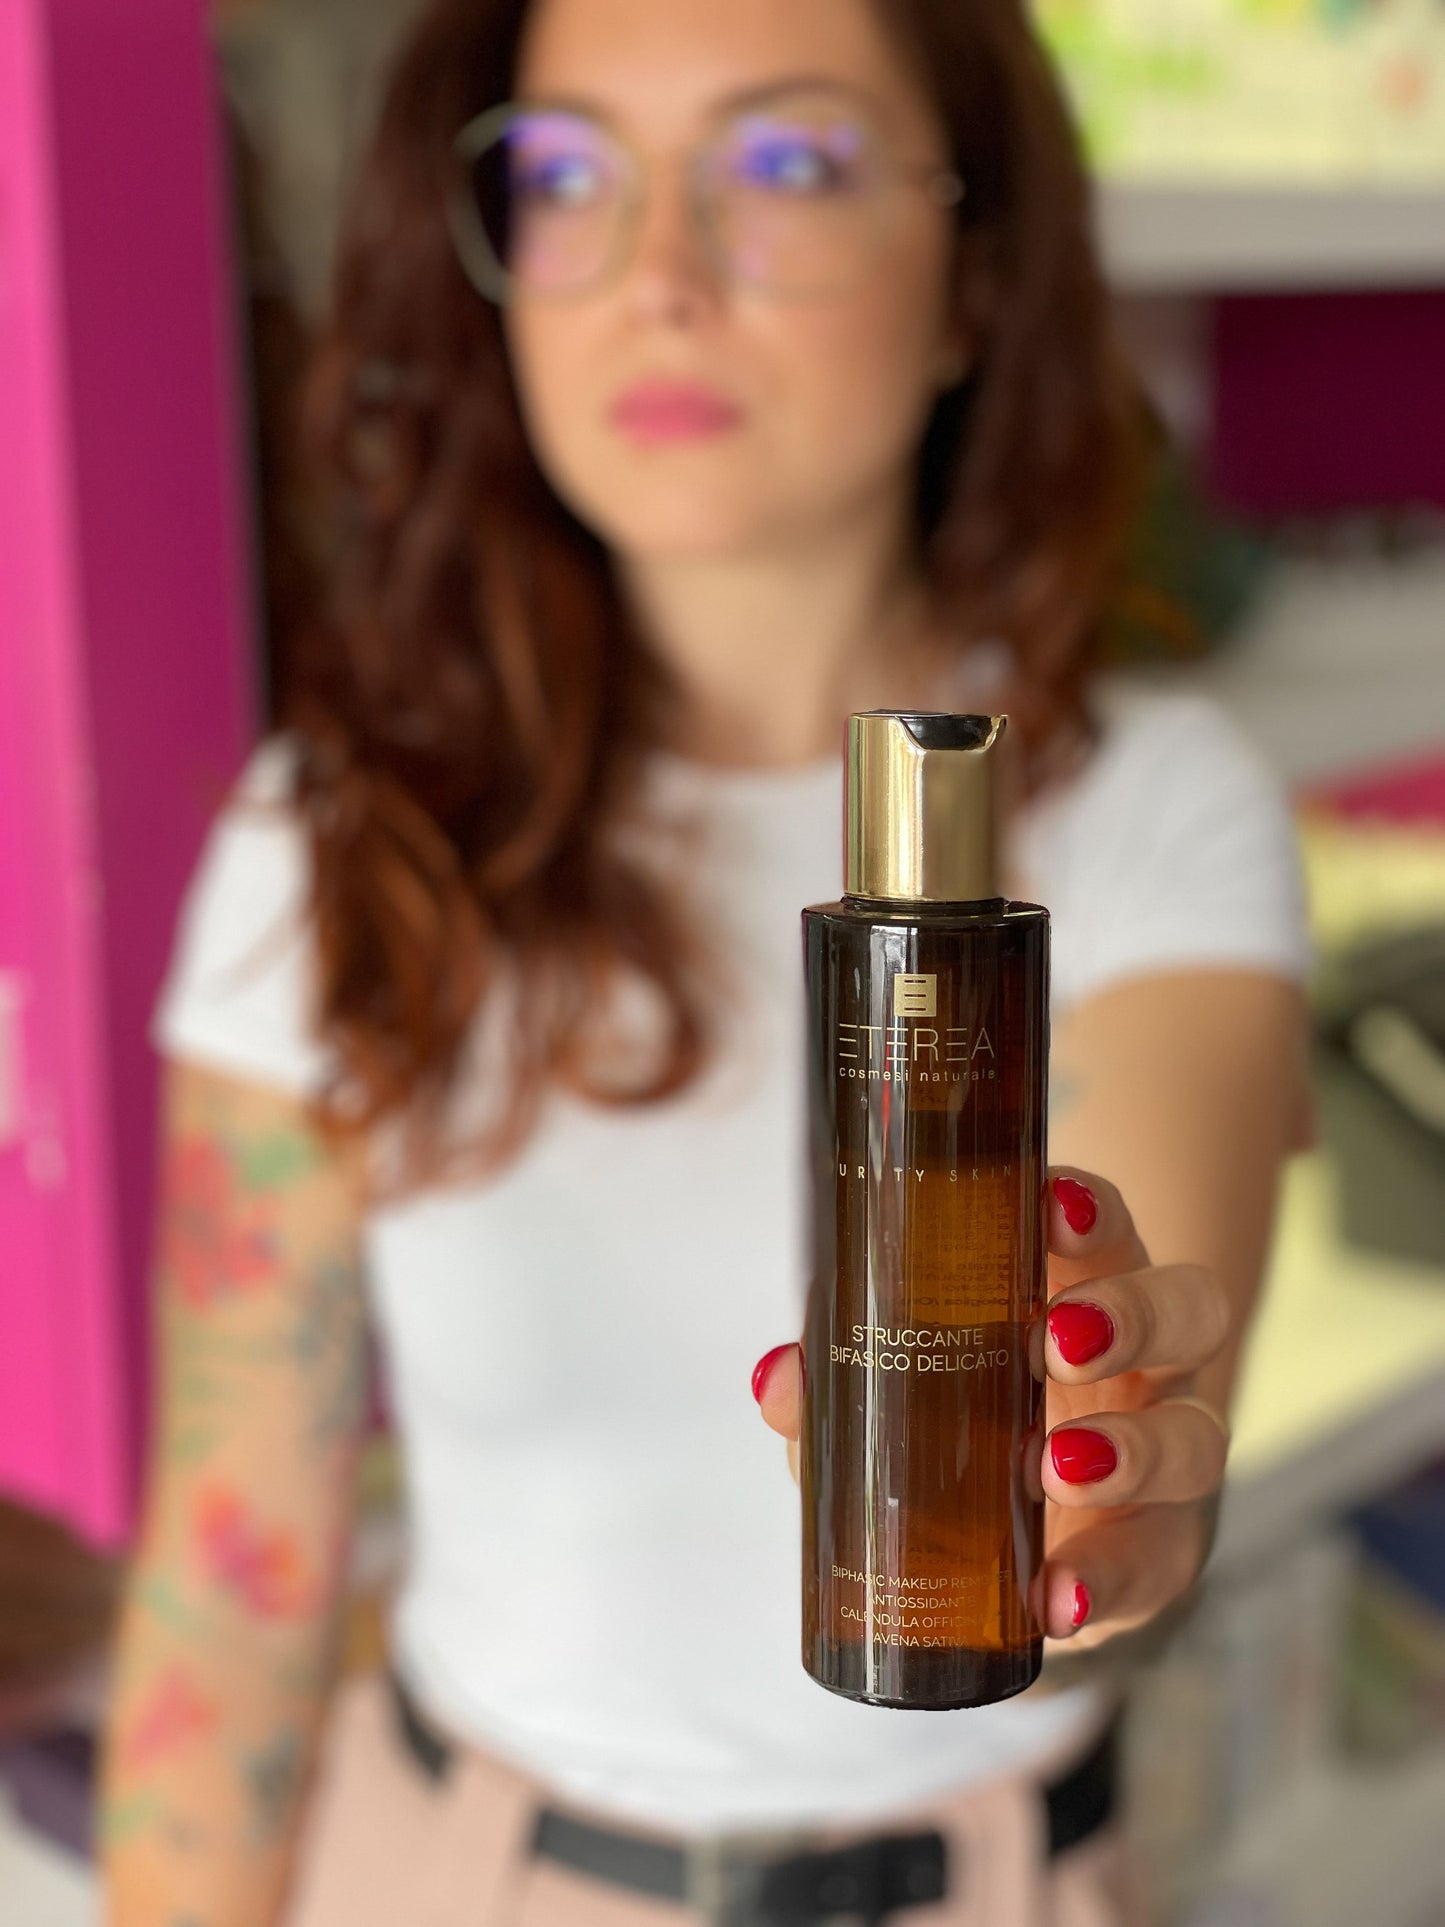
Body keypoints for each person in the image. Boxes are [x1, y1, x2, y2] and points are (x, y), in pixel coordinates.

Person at [97, 0, 1317, 1921]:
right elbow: (232, 1591)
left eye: (786, 163)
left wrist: (1094, 1494)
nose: (656, 274)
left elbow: (1126, 1459)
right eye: (568, 173)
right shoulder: (335, 838)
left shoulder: (1153, 812)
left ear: (974, 277)